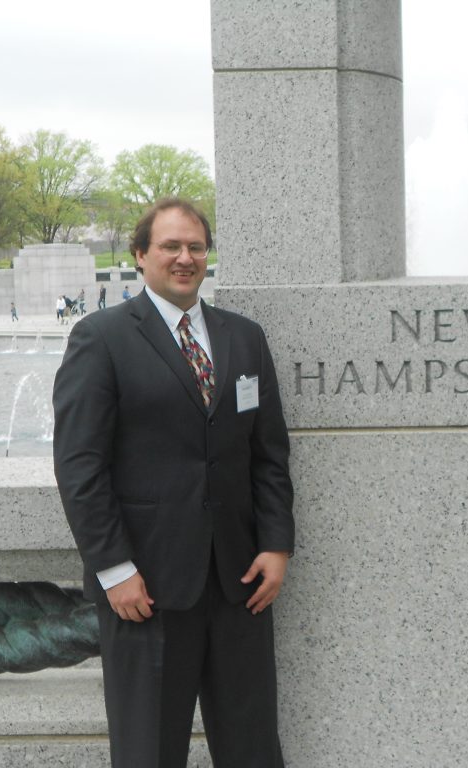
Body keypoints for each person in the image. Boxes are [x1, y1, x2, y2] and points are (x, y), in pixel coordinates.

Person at [53, 198, 294, 767]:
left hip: (241, 585)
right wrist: (115, 570)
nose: (185, 258)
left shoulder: (245, 338)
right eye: (170, 246)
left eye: (195, 247)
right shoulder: (101, 338)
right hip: (147, 589)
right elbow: (79, 465)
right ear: (141, 255)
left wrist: (277, 543)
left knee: (253, 749)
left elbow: (270, 455)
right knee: (150, 753)